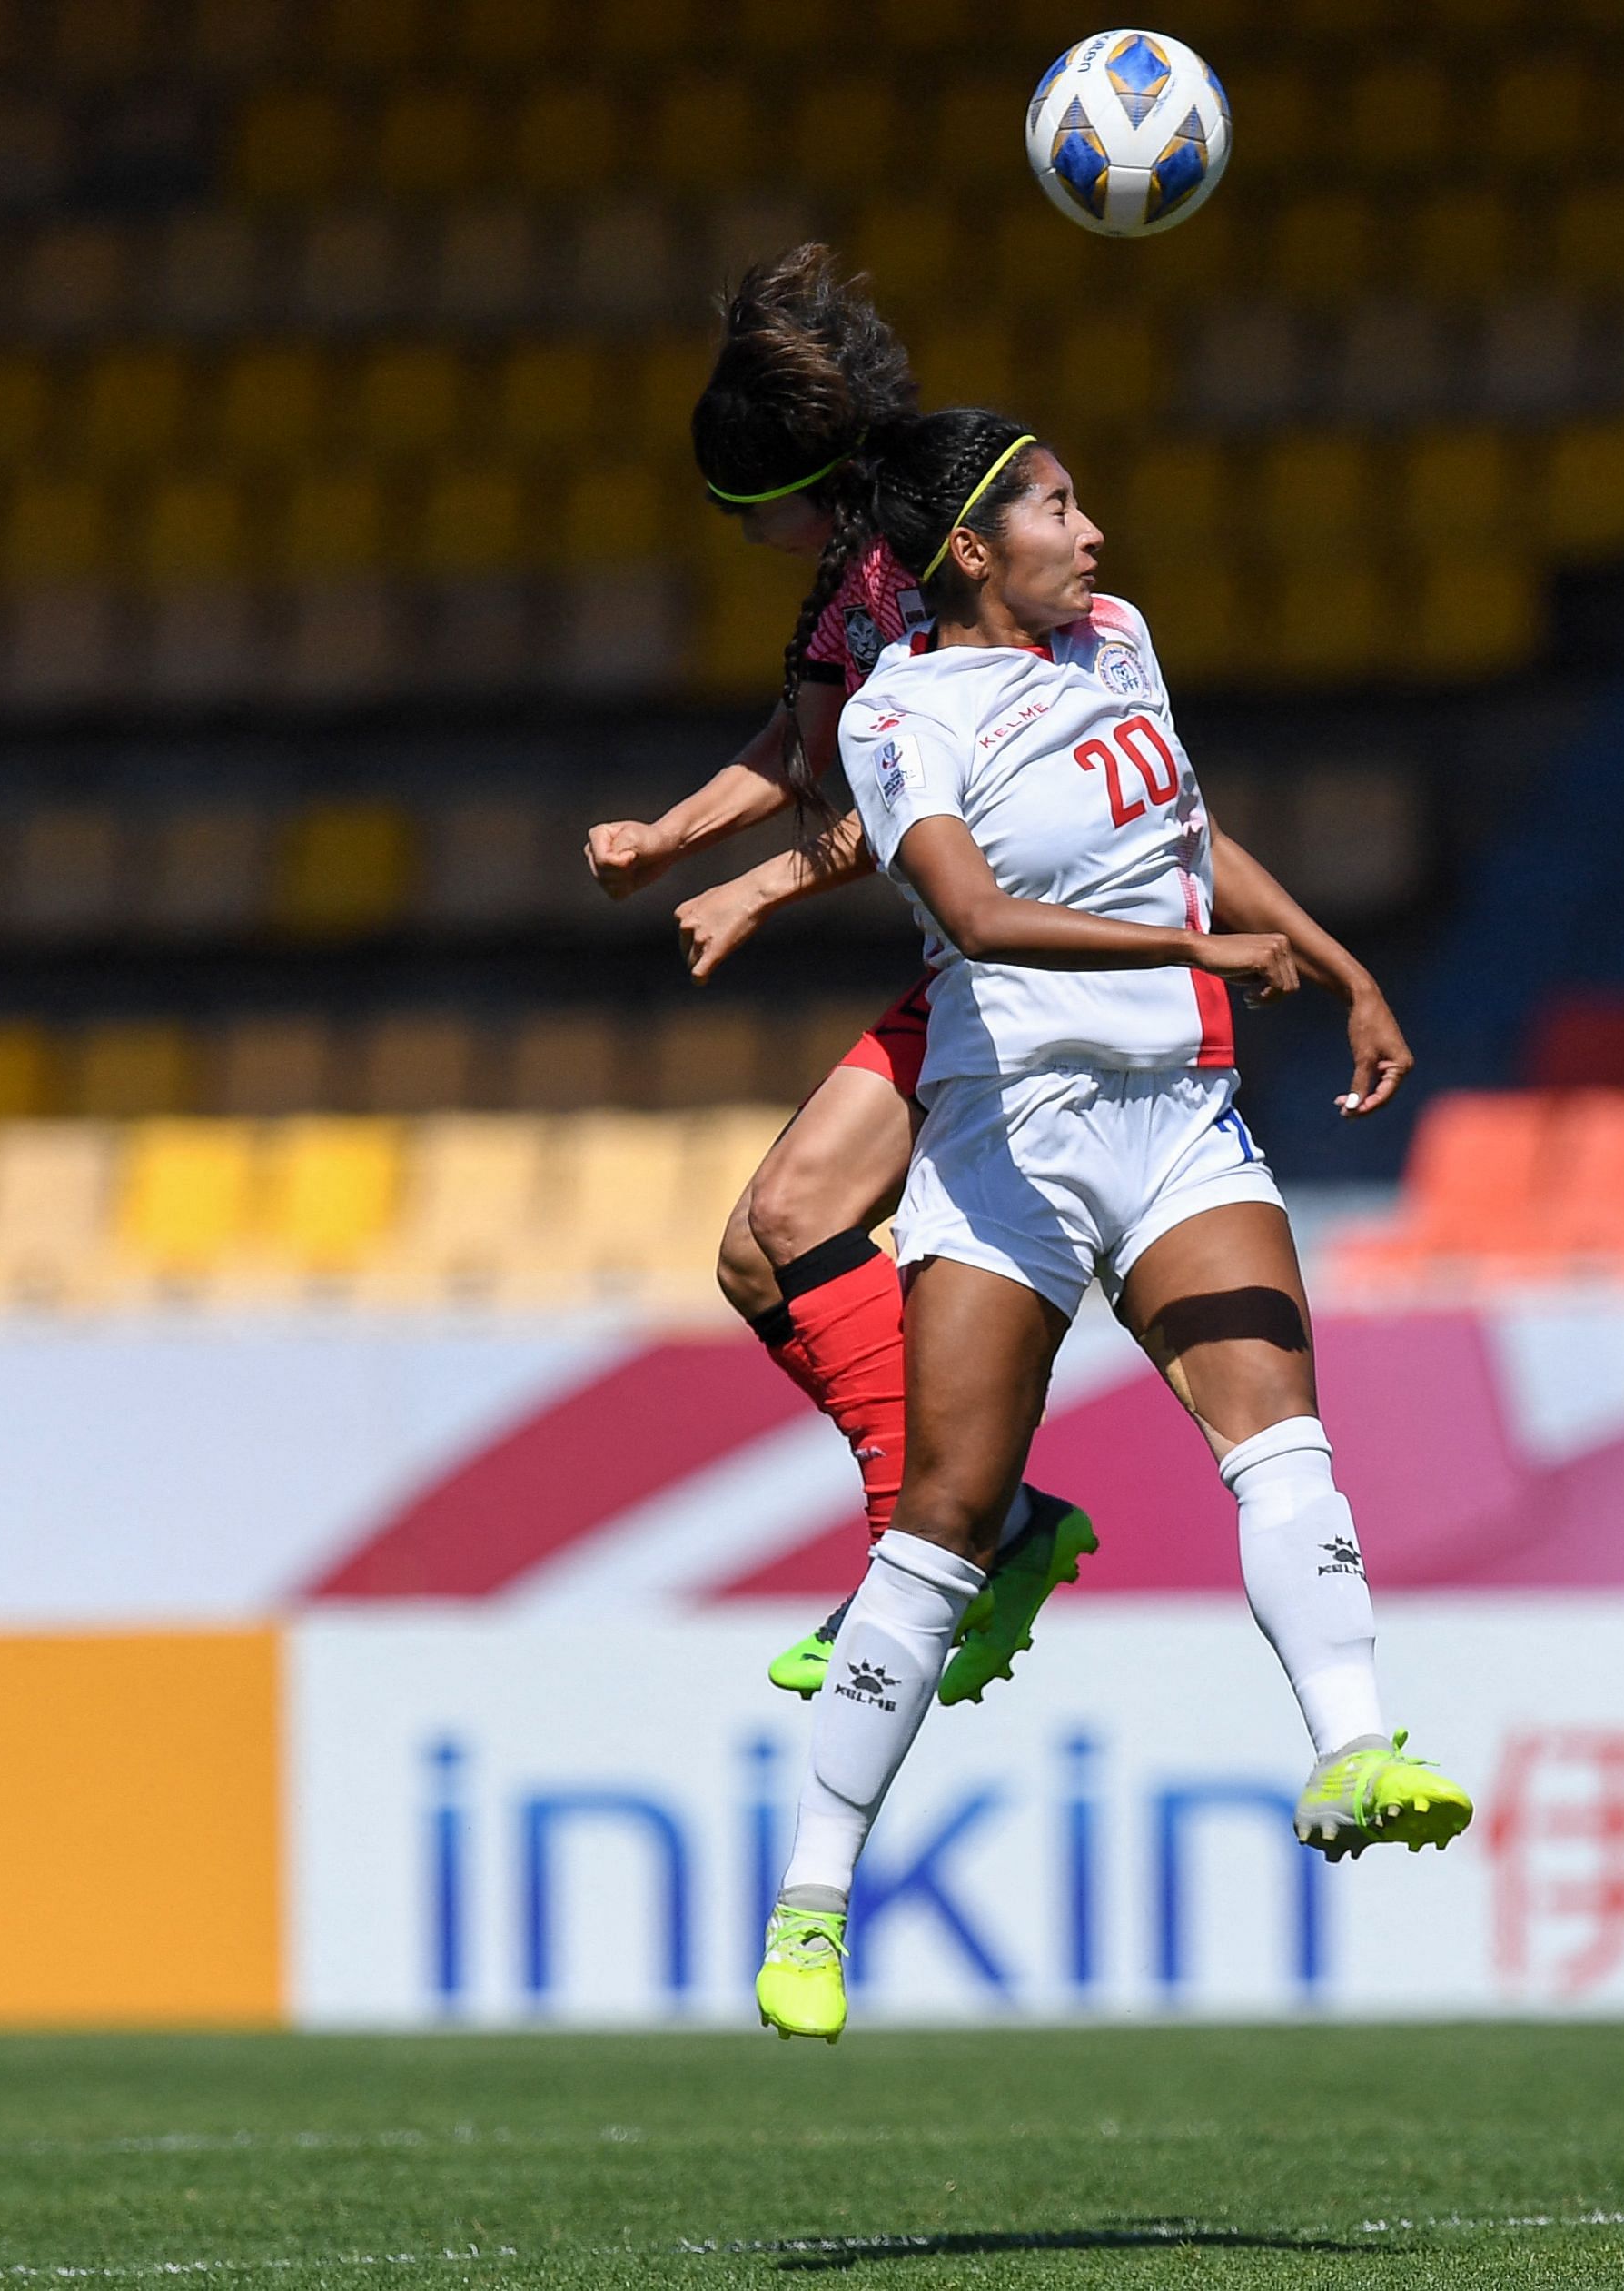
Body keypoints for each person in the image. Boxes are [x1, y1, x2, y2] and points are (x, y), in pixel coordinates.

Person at [749, 409, 1467, 2045]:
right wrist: (1203, 961)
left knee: (1281, 1439)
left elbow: (1181, 834)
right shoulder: (900, 712)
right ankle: (810, 1896)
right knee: (940, 1519)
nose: (1091, 532)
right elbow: (976, 915)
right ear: (968, 555)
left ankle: (1353, 1747)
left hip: (1175, 1127)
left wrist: (1332, 958)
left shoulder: (1116, 641)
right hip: (1011, 1140)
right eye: (1054, 509)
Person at [583, 246, 1091, 1708]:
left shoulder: (918, 563)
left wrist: (750, 883)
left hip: (1038, 960)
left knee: (787, 1225)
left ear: (773, 497)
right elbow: (804, 753)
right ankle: (983, 1525)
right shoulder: (849, 574)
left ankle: (941, 1537)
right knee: (763, 1246)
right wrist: (664, 839)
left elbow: (922, 796)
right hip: (981, 963)